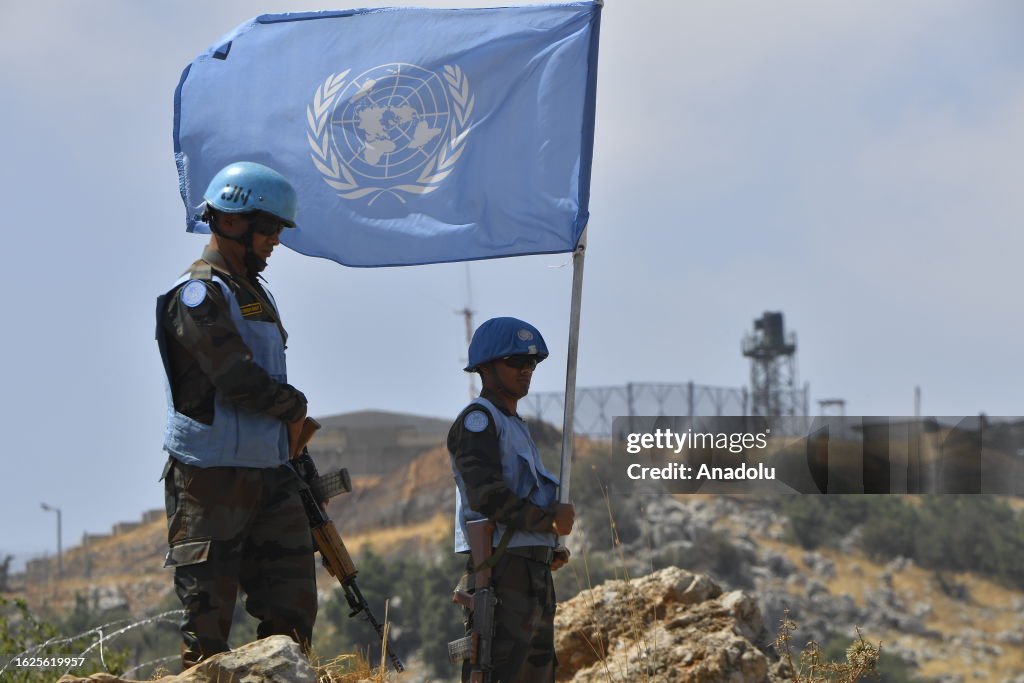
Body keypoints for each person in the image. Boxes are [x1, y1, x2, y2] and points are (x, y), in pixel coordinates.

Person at [155, 161, 316, 669]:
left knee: (292, 619)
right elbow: (235, 378)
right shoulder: (198, 293)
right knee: (208, 634)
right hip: (211, 481)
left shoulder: (254, 294)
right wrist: (295, 406)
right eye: (267, 228)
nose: (274, 242)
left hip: (271, 476)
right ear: (229, 222)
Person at [448, 317, 575, 683]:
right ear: (486, 368)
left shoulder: (515, 424)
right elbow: (487, 497)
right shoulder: (478, 421)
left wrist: (547, 542)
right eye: (515, 362)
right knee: (499, 671)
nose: (526, 370)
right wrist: (547, 521)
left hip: (531, 571)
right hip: (502, 572)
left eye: (531, 363)